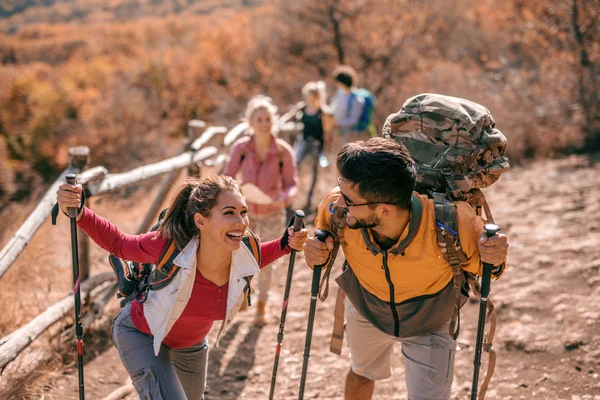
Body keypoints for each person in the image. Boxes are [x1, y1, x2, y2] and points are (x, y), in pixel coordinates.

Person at [56, 175, 308, 399]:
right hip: (142, 334)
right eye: (229, 212)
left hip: (192, 346)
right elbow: (120, 243)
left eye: (244, 212)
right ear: (201, 220)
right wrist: (79, 211)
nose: (241, 222)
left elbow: (260, 256)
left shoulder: (244, 250)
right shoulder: (170, 245)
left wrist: (286, 243)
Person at [303, 138, 509, 400]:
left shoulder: (453, 221)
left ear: (385, 211)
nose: (339, 203)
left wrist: (496, 255)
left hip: (431, 320)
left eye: (348, 199)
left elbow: (491, 269)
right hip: (367, 307)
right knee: (361, 374)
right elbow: (322, 249)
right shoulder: (338, 209)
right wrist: (315, 254)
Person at [222, 96, 299, 325]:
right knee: (238, 256)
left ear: (273, 121)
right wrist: (234, 194)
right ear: (250, 122)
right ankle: (245, 296)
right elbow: (227, 176)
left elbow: (292, 183)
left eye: (267, 119)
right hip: (242, 215)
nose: (264, 123)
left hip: (273, 213)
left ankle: (262, 306)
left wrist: (283, 199)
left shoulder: (284, 151)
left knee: (266, 260)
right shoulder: (241, 148)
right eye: (259, 119)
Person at [294, 81, 333, 210]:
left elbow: (327, 131)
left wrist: (326, 149)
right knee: (295, 164)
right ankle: (294, 191)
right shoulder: (302, 107)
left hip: (317, 144)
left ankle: (310, 197)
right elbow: (291, 118)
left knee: (315, 170)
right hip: (304, 141)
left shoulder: (322, 111)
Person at [331, 65, 366, 145]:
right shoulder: (340, 93)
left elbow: (354, 119)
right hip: (340, 132)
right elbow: (335, 107)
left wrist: (339, 124)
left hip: (352, 135)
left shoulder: (356, 99)